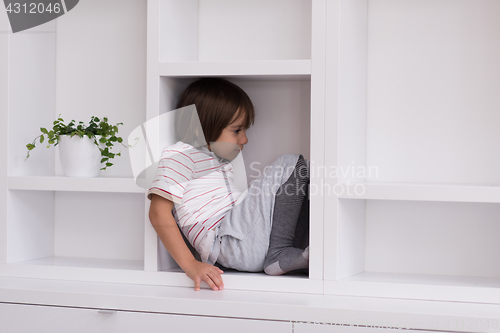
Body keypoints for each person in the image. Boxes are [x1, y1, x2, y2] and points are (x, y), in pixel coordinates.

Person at [148, 78, 310, 291]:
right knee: (291, 164)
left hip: (241, 241)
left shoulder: (216, 162)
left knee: (305, 180)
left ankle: (294, 251)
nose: (244, 140)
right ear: (199, 130)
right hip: (228, 242)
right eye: (237, 131)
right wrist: (190, 265)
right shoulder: (181, 155)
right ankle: (280, 253)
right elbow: (158, 212)